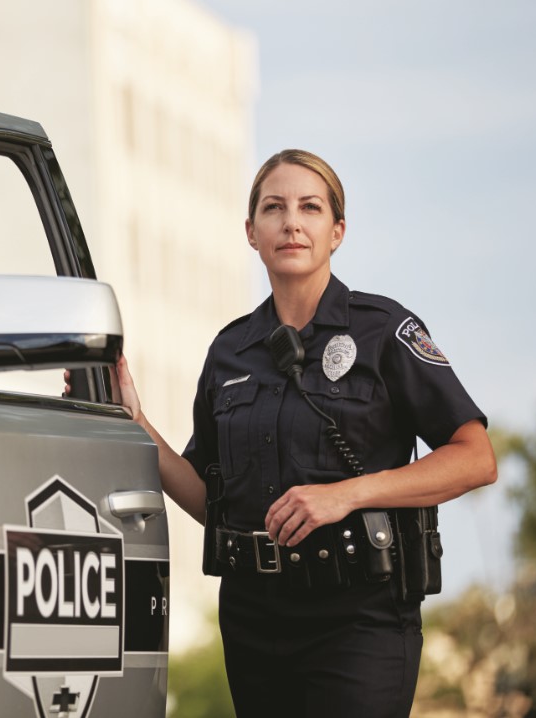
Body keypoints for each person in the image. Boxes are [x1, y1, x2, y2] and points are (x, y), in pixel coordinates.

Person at [114, 149, 497, 717]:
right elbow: (209, 500)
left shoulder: (384, 330)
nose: (291, 222)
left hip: (360, 615)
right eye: (274, 208)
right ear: (251, 231)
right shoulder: (230, 350)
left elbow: (475, 459)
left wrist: (346, 494)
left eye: (310, 208)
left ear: (336, 231)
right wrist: (136, 422)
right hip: (253, 614)